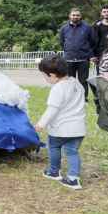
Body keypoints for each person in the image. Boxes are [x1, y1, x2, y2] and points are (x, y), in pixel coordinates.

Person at [35, 55, 86, 190]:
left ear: (52, 75)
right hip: (78, 128)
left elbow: (52, 110)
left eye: (45, 76)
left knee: (53, 147)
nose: (45, 79)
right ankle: (73, 179)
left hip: (60, 129)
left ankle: (54, 171)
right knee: (72, 152)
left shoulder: (57, 89)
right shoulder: (76, 83)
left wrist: (41, 124)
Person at [59, 8, 95, 102]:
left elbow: (92, 41)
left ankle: (84, 98)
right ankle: (71, 99)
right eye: (73, 15)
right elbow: (62, 42)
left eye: (77, 15)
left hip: (83, 59)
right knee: (70, 81)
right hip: (69, 59)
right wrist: (68, 50)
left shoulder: (87, 27)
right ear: (69, 16)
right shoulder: (64, 28)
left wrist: (89, 54)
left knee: (83, 81)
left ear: (80, 16)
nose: (75, 17)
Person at [90, 5, 108, 112]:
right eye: (104, 12)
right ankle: (102, 105)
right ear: (101, 13)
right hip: (101, 57)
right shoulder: (96, 25)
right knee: (103, 80)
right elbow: (92, 42)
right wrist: (93, 55)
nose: (106, 14)